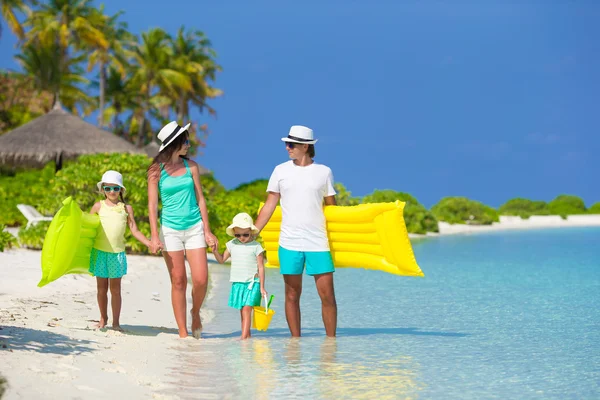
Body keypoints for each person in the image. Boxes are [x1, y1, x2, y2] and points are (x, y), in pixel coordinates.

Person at [254, 125, 337, 337]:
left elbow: (333, 208)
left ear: (306, 146)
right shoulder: (280, 171)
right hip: (289, 242)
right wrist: (254, 231)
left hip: (318, 242)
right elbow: (270, 204)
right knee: (292, 294)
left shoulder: (323, 172)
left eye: (291, 144)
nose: (287, 148)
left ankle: (331, 344)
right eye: (286, 144)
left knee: (327, 295)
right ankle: (295, 343)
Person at [147, 121, 217, 339]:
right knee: (178, 280)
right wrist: (154, 236)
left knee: (201, 280)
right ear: (174, 143)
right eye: (185, 140)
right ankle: (183, 332)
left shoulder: (192, 167)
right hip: (170, 230)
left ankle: (195, 312)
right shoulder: (155, 171)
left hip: (194, 226)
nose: (188, 144)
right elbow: (152, 205)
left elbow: (201, 199)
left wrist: (207, 230)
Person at [90, 170, 152, 331]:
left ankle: (116, 323)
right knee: (101, 289)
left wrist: (149, 243)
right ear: (103, 189)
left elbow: (135, 230)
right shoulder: (98, 206)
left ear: (121, 190)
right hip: (99, 252)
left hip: (116, 254)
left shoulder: (126, 208)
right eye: (108, 188)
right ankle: (103, 319)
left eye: (115, 188)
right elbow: (87, 227)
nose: (112, 192)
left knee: (115, 290)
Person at [211, 213, 268, 339]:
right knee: (242, 311)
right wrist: (215, 250)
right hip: (237, 283)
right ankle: (247, 337)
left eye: (245, 235)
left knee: (247, 309)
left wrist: (262, 287)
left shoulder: (256, 246)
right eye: (238, 235)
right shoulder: (231, 244)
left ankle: (243, 338)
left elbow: (261, 267)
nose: (241, 238)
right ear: (234, 233)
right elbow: (221, 260)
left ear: (251, 231)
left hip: (253, 283)